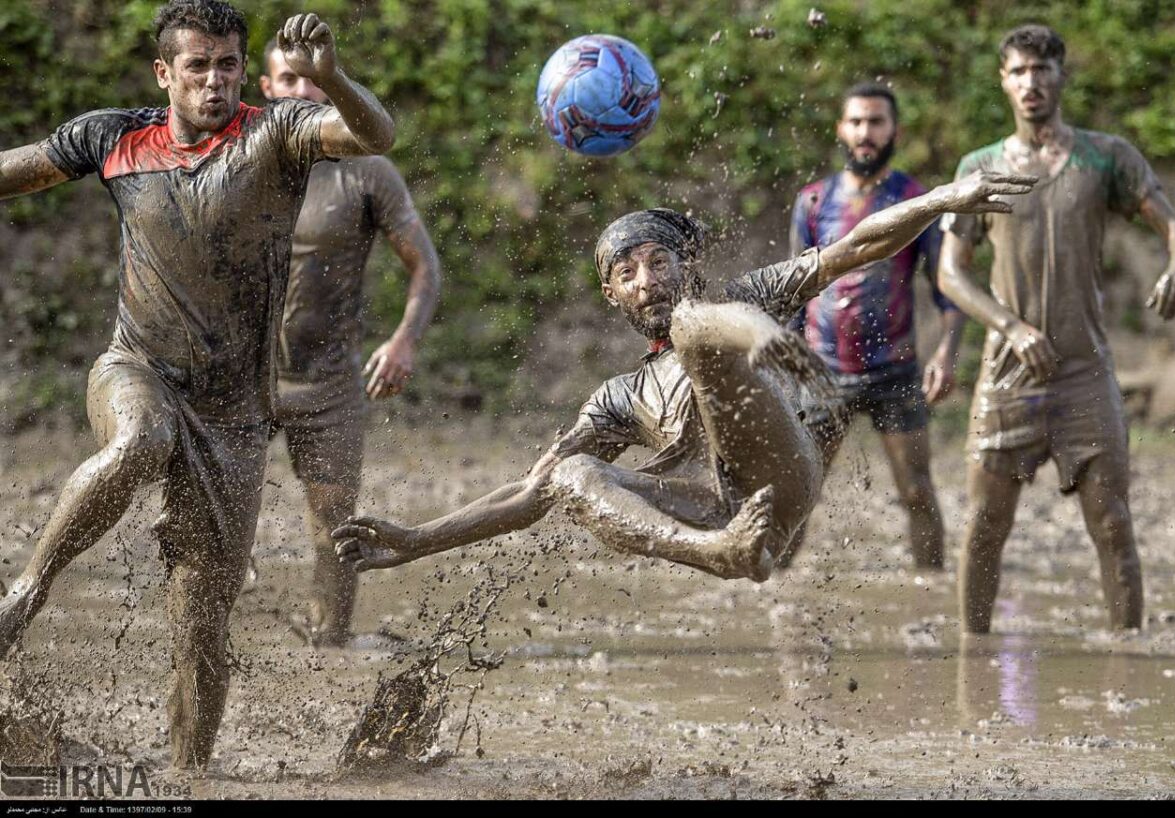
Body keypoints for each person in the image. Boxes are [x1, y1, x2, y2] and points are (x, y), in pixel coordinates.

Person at [0, 0, 395, 769]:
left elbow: (377, 135)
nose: (214, 81)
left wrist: (331, 75)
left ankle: (192, 776)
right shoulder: (114, 138)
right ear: (165, 73)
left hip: (236, 415)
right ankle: (24, 593)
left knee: (202, 628)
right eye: (197, 66)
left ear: (243, 70)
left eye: (227, 65)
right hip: (135, 369)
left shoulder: (276, 133)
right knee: (141, 438)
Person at [333, 171, 1034, 582]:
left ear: (686, 263)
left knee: (701, 325)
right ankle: (717, 553)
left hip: (777, 478)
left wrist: (942, 197)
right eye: (626, 273)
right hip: (717, 520)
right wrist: (416, 541)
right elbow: (526, 494)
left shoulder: (745, 292)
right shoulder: (618, 397)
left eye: (658, 262)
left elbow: (858, 245)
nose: (646, 281)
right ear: (611, 295)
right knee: (567, 477)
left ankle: (760, 345)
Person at [938, 25, 1175, 634]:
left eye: (1043, 69)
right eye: (1019, 71)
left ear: (1061, 76)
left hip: (1085, 373)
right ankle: (972, 661)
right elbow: (951, 274)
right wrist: (1011, 325)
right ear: (1003, 81)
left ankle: (1127, 656)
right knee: (984, 529)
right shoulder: (980, 167)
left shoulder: (1106, 157)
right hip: (1007, 375)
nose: (1031, 83)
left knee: (1113, 525)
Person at [259, 40, 442, 647]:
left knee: (334, 526)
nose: (303, 92)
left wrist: (403, 342)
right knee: (213, 520)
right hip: (241, 382)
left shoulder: (366, 170)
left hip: (330, 385)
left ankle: (328, 642)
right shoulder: (237, 161)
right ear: (266, 88)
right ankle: (212, 636)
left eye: (314, 81)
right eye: (290, 79)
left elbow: (425, 267)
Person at [786, 82, 964, 569]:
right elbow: (794, 292)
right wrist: (787, 363)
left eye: (876, 122)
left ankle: (930, 587)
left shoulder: (915, 200)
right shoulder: (814, 202)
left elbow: (946, 289)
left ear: (895, 131)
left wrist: (947, 353)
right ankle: (768, 590)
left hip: (895, 371)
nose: (866, 133)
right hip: (821, 371)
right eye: (857, 122)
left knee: (916, 491)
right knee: (796, 496)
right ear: (841, 129)